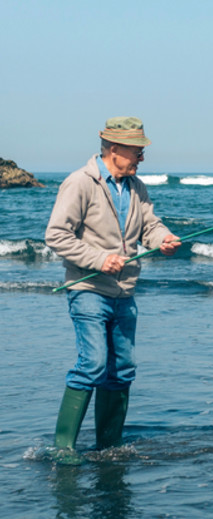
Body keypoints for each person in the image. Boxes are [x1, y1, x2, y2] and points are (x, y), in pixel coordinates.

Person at [45, 117, 181, 463]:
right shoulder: (79, 183)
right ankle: (63, 449)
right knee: (92, 363)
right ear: (113, 148)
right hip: (88, 287)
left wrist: (162, 239)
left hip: (125, 292)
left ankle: (107, 448)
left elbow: (149, 224)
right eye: (137, 150)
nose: (141, 158)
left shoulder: (137, 187)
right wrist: (99, 259)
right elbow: (57, 235)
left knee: (122, 369)